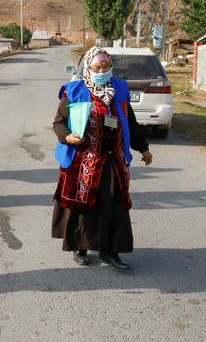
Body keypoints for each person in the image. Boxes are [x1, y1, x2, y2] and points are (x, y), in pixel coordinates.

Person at [51, 46, 152, 270]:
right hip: (82, 160)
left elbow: (130, 122)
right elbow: (58, 123)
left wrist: (143, 148)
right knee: (82, 204)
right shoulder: (75, 90)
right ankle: (80, 247)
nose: (103, 70)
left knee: (114, 205)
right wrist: (67, 136)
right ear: (88, 67)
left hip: (113, 160)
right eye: (98, 67)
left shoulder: (119, 89)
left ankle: (111, 252)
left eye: (107, 66)